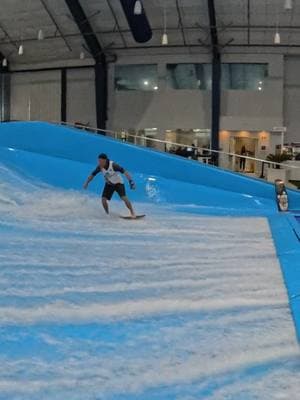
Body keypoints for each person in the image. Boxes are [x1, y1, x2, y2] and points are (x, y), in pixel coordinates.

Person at [83, 153, 136, 217]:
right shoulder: (99, 167)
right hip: (109, 184)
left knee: (124, 198)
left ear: (105, 160)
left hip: (118, 183)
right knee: (103, 200)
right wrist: (86, 182)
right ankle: (107, 214)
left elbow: (125, 172)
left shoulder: (113, 165)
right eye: (98, 161)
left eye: (100, 161)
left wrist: (131, 181)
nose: (99, 163)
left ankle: (132, 213)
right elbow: (92, 175)